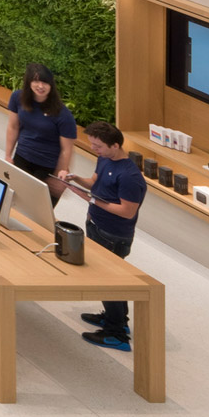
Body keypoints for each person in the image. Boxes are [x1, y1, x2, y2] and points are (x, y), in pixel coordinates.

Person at [68, 122, 144, 353]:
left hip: (113, 236)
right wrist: (75, 179)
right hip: (95, 225)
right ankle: (116, 319)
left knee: (108, 281)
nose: (94, 149)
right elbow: (94, 183)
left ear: (116, 145)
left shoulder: (131, 176)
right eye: (92, 144)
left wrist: (90, 200)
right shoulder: (105, 158)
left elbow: (127, 211)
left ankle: (116, 334)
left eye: (98, 145)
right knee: (108, 280)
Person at [5, 62, 77, 201]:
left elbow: (66, 150)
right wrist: (8, 155)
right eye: (36, 81)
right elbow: (13, 127)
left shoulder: (63, 115)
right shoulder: (18, 98)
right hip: (22, 156)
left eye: (45, 82)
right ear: (29, 82)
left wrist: (58, 177)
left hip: (47, 166)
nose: (41, 86)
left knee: (36, 206)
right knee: (13, 201)